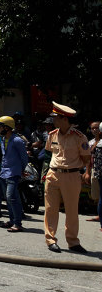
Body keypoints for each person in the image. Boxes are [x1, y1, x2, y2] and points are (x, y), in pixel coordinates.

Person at [43, 102, 91, 253]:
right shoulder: (52, 135)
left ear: (64, 119)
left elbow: (86, 158)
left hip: (71, 176)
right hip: (52, 174)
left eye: (56, 117)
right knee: (50, 209)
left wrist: (79, 169)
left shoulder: (79, 137)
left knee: (71, 210)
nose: (53, 120)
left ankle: (72, 241)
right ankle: (50, 240)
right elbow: (48, 153)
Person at [0, 116, 29, 231]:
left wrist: (20, 170)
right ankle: (12, 220)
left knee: (11, 197)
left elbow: (24, 158)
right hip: (3, 172)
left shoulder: (17, 140)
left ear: (7, 127)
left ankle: (18, 223)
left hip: (13, 172)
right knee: (8, 198)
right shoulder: (3, 139)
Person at [85, 121, 102, 230]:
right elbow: (88, 159)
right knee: (98, 196)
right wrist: (87, 172)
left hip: (98, 172)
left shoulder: (98, 144)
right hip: (96, 171)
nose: (95, 130)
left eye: (97, 128)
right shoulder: (91, 143)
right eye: (93, 128)